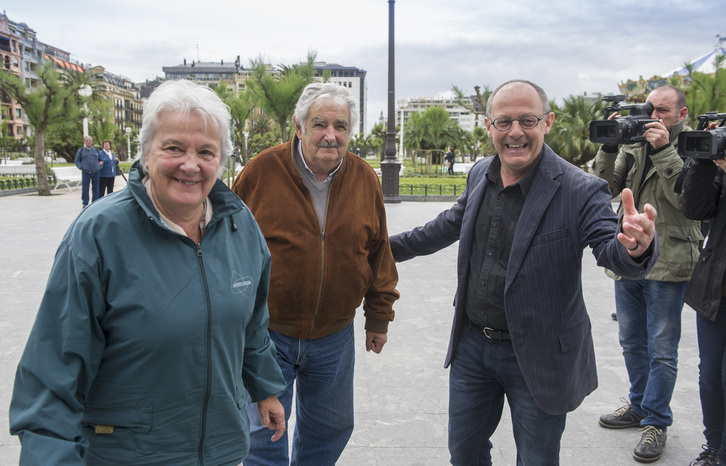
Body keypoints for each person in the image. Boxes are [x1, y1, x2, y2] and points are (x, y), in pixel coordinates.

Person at [9, 79, 286, 465]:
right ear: (146, 153)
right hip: (130, 454)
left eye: (206, 152)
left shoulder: (240, 224)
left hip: (220, 449)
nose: (191, 164)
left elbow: (252, 322)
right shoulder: (99, 234)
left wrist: (264, 388)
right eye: (174, 148)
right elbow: (53, 373)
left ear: (220, 161)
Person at [389, 79, 659, 465]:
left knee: (536, 459)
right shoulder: (481, 172)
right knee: (463, 454)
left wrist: (634, 246)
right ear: (489, 127)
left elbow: (608, 247)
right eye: (504, 122)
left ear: (547, 122)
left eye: (527, 120)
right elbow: (445, 226)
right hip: (472, 347)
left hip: (539, 353)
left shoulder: (580, 189)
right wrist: (378, 250)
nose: (515, 132)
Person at [231, 82, 399, 465]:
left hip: (334, 336)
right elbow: (228, 248)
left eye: (340, 126)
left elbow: (378, 253)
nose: (330, 135)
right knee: (263, 435)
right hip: (267, 334)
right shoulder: (261, 172)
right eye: (320, 124)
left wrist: (378, 318)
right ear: (298, 126)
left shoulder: (364, 178)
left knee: (331, 429)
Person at [593, 84, 702, 463]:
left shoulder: (694, 148)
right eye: (648, 110)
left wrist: (663, 150)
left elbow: (688, 201)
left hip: (671, 261)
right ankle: (639, 404)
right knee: (630, 340)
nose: (653, 117)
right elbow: (605, 187)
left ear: (682, 115)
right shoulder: (635, 145)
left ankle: (657, 420)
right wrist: (610, 145)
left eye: (663, 111)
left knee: (661, 349)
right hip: (632, 255)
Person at [681, 155, 726, 466]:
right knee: (710, 375)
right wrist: (702, 162)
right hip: (715, 289)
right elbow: (695, 210)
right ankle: (714, 445)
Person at [74, 136, 103, 207]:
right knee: (85, 188)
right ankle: (85, 202)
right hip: (86, 172)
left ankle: (95, 202)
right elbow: (76, 160)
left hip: (96, 172)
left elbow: (101, 160)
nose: (88, 142)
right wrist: (81, 167)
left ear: (92, 142)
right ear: (84, 142)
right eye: (87, 140)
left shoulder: (96, 150)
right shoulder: (81, 151)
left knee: (96, 188)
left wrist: (99, 167)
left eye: (90, 140)